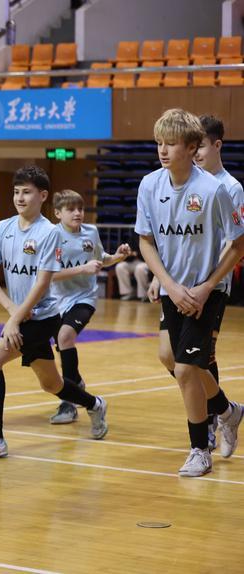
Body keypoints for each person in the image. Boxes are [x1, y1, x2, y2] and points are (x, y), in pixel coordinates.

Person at [0, 166, 110, 459]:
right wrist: (12, 311)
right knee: (51, 383)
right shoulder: (3, 228)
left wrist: (16, 319)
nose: (19, 197)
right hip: (21, 315)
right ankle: (94, 404)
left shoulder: (49, 233)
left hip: (43, 318)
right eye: (16, 192)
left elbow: (42, 283)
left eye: (26, 192)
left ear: (43, 196)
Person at [136, 108, 244, 477]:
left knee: (187, 368)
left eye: (171, 143)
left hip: (206, 290)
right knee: (171, 358)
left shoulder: (215, 190)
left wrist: (207, 286)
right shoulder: (149, 185)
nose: (162, 150)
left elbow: (238, 245)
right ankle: (228, 410)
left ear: (192, 147)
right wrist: (165, 282)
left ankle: (200, 449)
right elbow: (145, 240)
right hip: (173, 288)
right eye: (159, 143)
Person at [48, 190, 131, 424]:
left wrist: (118, 256)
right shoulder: (51, 236)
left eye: (81, 209)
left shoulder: (91, 232)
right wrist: (82, 269)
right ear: (58, 213)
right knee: (61, 346)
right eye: (71, 209)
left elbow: (101, 259)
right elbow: (48, 275)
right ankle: (75, 384)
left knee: (65, 337)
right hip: (56, 302)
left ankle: (68, 404)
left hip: (84, 298)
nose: (77, 213)